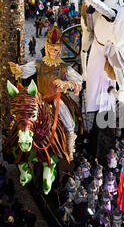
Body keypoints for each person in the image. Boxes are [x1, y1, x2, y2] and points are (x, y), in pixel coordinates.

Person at [9, 24, 83, 160]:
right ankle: (14, 140)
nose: (52, 51)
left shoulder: (65, 67)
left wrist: (66, 83)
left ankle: (69, 142)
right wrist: (19, 70)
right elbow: (26, 70)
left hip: (56, 96)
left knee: (64, 113)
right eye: (50, 48)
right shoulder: (39, 63)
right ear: (46, 47)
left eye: (55, 49)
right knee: (23, 113)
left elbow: (79, 81)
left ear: (59, 49)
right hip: (39, 97)